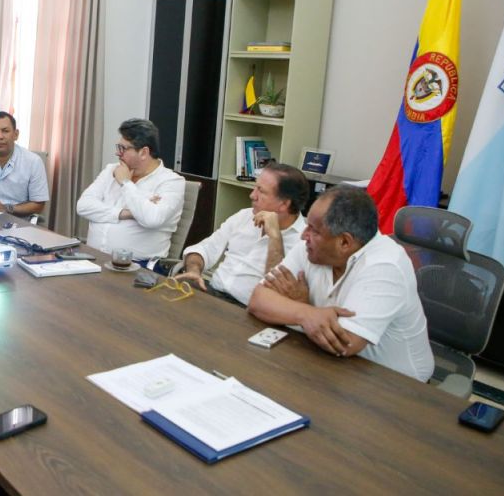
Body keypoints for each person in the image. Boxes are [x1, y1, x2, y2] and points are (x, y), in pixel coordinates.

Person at [247, 186, 435, 382]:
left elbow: (344, 342)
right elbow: (258, 299)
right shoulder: (312, 247)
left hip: (396, 384)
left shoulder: (385, 265)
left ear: (345, 242)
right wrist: (305, 312)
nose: (304, 236)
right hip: (331, 365)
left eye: (314, 230)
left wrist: (296, 308)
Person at [175, 163, 309, 305]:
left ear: (284, 204)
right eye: (255, 188)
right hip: (212, 292)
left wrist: (275, 237)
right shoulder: (244, 216)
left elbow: (275, 292)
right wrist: (194, 270)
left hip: (248, 309)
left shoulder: (304, 241)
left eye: (261, 191)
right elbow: (205, 249)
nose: (252, 195)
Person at [76, 118, 185, 260]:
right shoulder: (111, 170)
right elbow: (83, 206)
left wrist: (126, 183)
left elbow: (151, 218)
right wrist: (127, 213)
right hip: (93, 258)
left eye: (123, 148)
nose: (118, 153)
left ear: (144, 152)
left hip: (136, 268)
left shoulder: (172, 182)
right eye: (118, 147)